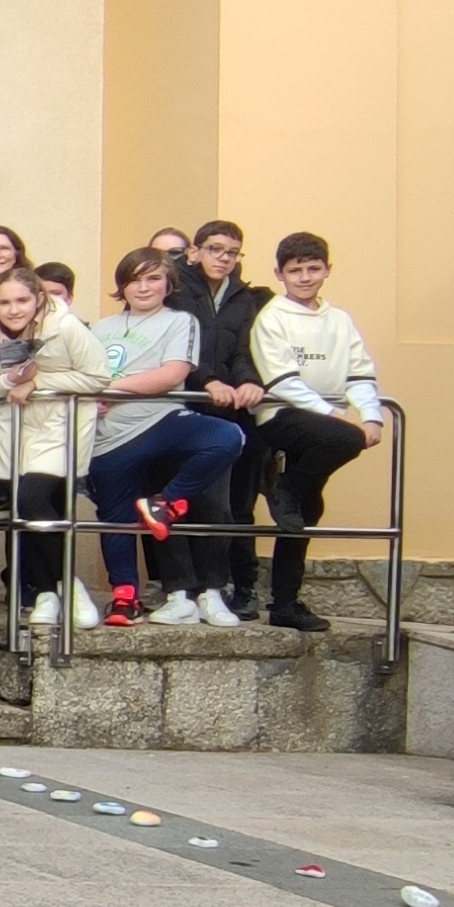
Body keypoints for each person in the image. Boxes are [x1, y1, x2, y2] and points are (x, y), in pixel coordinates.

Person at [88, 247, 248, 627]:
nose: (143, 287)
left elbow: (171, 374)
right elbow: (82, 378)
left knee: (227, 437)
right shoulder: (99, 328)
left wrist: (111, 389)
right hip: (106, 437)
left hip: (160, 422)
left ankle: (168, 503)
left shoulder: (179, 321)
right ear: (122, 286)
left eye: (153, 278)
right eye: (134, 279)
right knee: (115, 519)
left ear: (167, 284)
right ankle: (125, 597)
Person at [248, 231, 386, 634]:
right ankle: (284, 488)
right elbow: (282, 380)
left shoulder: (339, 320)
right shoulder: (272, 318)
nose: (305, 277)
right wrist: (336, 417)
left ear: (327, 270)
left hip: (322, 422)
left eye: (313, 269)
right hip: (282, 415)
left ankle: (285, 603)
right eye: (295, 271)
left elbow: (359, 371)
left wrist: (372, 415)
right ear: (279, 273)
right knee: (344, 440)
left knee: (306, 512)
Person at [0, 268, 109, 633]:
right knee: (24, 509)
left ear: (38, 298)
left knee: (35, 497)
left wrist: (38, 383)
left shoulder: (66, 326)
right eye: (4, 302)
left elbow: (98, 377)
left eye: (22, 300)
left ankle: (70, 586)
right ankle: (46, 594)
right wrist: (10, 381)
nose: (13, 309)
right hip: (14, 426)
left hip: (57, 426)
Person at [174, 218, 278, 616]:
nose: (224, 258)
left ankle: (243, 587)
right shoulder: (177, 291)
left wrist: (249, 381)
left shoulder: (245, 298)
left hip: (237, 412)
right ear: (194, 252)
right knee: (191, 501)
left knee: (239, 504)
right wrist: (209, 380)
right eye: (215, 249)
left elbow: (247, 349)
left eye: (232, 252)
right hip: (190, 408)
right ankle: (190, 590)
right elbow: (181, 346)